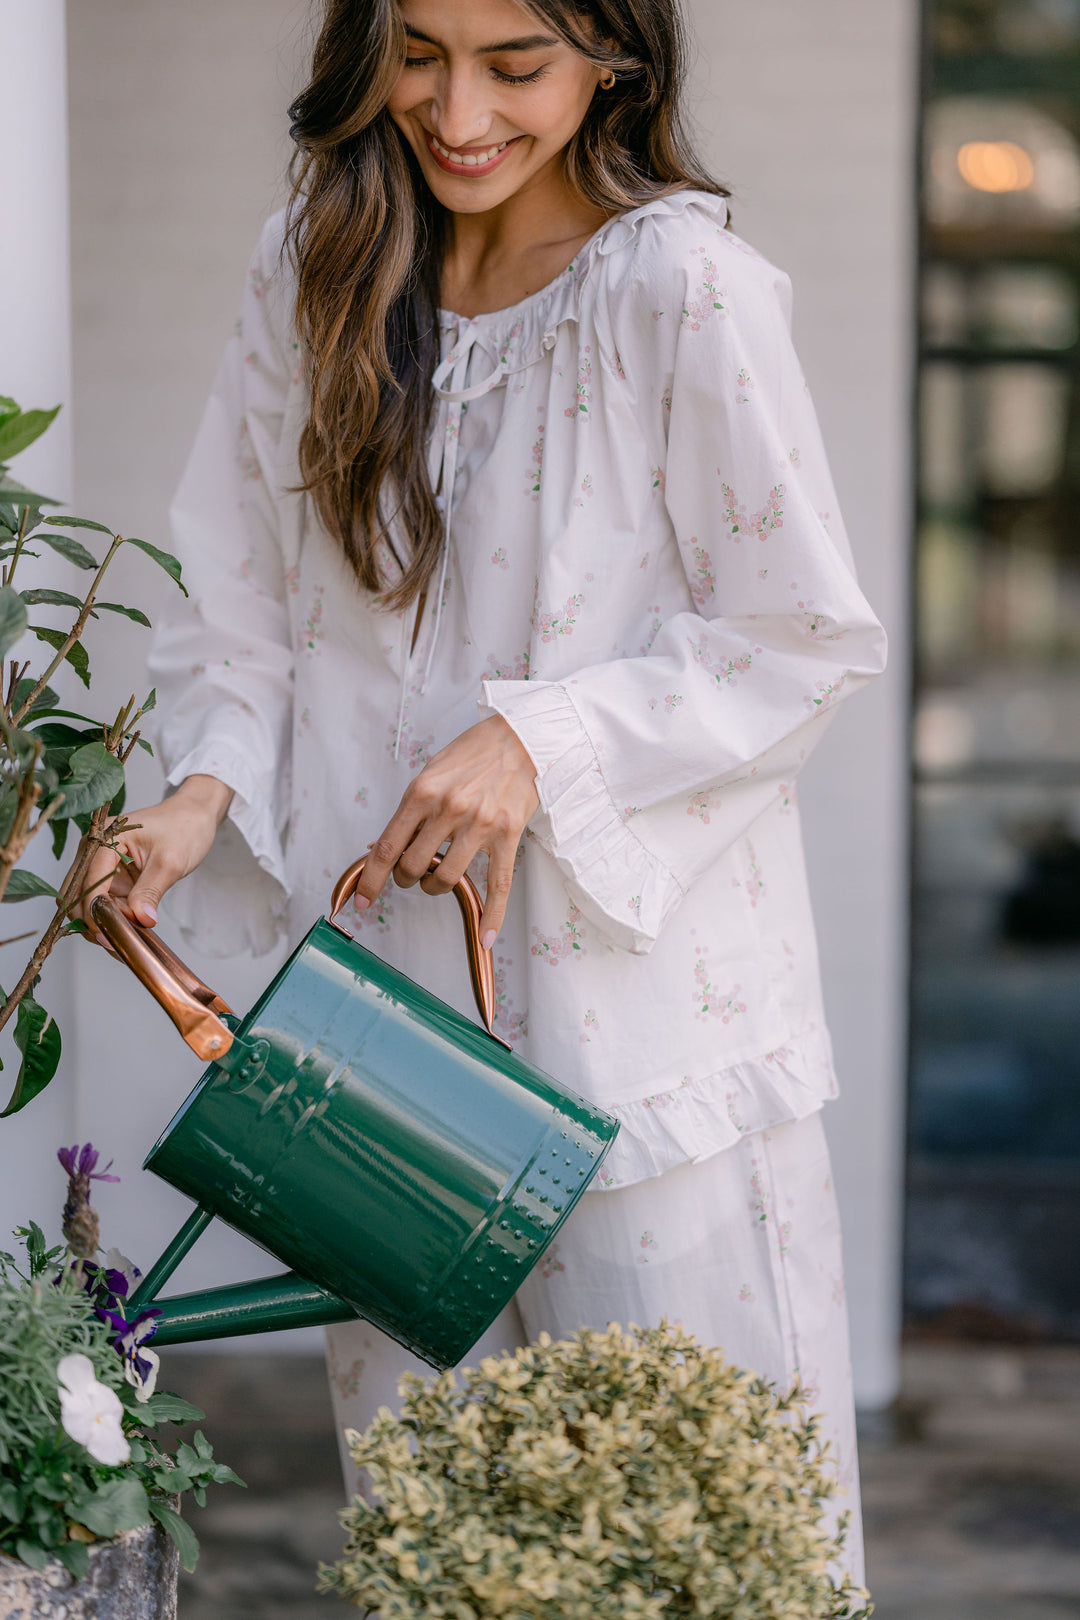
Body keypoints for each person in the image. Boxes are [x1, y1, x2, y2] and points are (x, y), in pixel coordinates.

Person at [81, 0, 886, 1581]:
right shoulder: (312, 263)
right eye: (420, 52)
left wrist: (542, 741)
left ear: (614, 60)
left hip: (640, 1049)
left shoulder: (684, 288)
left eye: (514, 66)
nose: (456, 112)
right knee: (445, 1536)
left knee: (698, 1544)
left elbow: (800, 635)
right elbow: (241, 607)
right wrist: (194, 794)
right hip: (383, 1041)